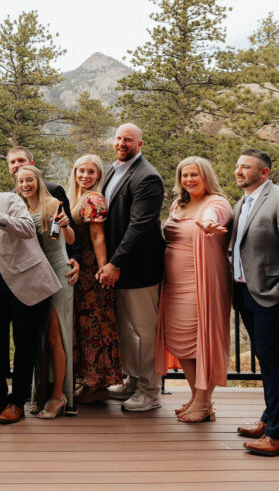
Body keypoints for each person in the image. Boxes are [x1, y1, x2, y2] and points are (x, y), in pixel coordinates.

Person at [0, 165, 63, 425]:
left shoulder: (9, 199)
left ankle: (17, 403)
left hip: (27, 279)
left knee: (25, 344)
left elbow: (28, 229)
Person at [231, 150, 279, 457]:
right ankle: (269, 420)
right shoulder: (243, 201)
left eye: (246, 167)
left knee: (273, 361)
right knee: (267, 359)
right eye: (237, 166)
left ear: (264, 172)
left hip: (273, 295)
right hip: (246, 292)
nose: (239, 171)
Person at [153, 157, 232, 423]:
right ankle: (197, 398)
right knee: (180, 343)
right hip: (174, 285)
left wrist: (208, 223)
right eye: (184, 175)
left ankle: (203, 401)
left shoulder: (217, 203)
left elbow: (214, 217)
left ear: (206, 176)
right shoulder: (179, 204)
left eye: (194, 175)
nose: (189, 180)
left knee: (202, 343)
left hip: (201, 283)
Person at [98, 123, 166, 412]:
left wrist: (115, 263)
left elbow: (140, 226)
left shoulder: (147, 177)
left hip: (138, 268)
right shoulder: (114, 170)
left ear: (140, 144)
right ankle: (133, 380)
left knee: (145, 331)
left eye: (128, 139)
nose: (122, 143)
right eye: (118, 138)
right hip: (119, 268)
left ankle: (150, 391)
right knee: (126, 330)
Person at [16, 164, 77, 419]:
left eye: (29, 180)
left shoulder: (52, 204)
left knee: (55, 337)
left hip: (56, 271)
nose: (25, 185)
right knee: (40, 337)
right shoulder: (20, 208)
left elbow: (70, 240)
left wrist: (63, 225)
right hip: (35, 275)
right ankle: (40, 392)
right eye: (21, 182)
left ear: (38, 181)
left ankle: (58, 396)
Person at [66, 154, 122, 404]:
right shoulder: (75, 198)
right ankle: (89, 383)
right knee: (85, 326)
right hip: (81, 271)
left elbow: (98, 237)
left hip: (92, 272)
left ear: (99, 175)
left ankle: (98, 385)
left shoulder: (94, 199)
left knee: (96, 327)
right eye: (81, 171)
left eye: (91, 172)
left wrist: (102, 271)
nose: (85, 176)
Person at [6, 146, 81, 264]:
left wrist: (75, 259)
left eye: (21, 160)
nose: (17, 165)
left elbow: (67, 227)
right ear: (9, 167)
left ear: (32, 163)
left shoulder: (54, 190)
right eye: (12, 162)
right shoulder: (10, 198)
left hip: (59, 260)